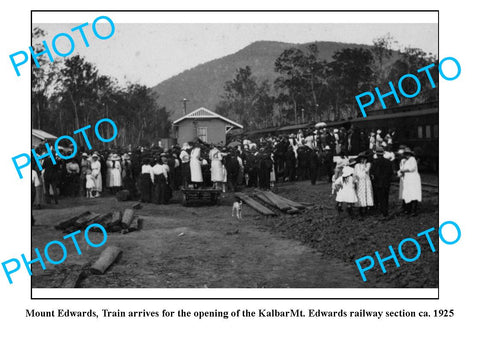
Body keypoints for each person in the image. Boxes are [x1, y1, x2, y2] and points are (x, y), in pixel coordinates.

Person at [371, 147, 394, 219]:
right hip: (386, 182)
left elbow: (373, 173)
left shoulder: (375, 162)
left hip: (378, 183)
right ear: (383, 154)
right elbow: (391, 173)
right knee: (386, 198)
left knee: (380, 198)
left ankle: (383, 213)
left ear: (377, 154)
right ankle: (385, 212)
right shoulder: (388, 162)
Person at [399, 148, 422, 216]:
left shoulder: (412, 159)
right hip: (408, 179)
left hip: (413, 179)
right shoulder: (405, 160)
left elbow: (412, 169)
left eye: (407, 154)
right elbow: (402, 168)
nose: (406, 155)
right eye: (406, 154)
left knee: (413, 193)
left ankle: (413, 211)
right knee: (408, 193)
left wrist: (403, 170)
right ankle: (407, 209)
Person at [354, 153, 374, 217]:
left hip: (366, 181)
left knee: (367, 193)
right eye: (361, 159)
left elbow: (366, 170)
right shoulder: (357, 165)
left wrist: (365, 163)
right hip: (360, 181)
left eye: (364, 159)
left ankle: (366, 208)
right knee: (360, 193)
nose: (362, 160)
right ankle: (360, 207)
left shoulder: (368, 164)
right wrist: (355, 180)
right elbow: (355, 173)